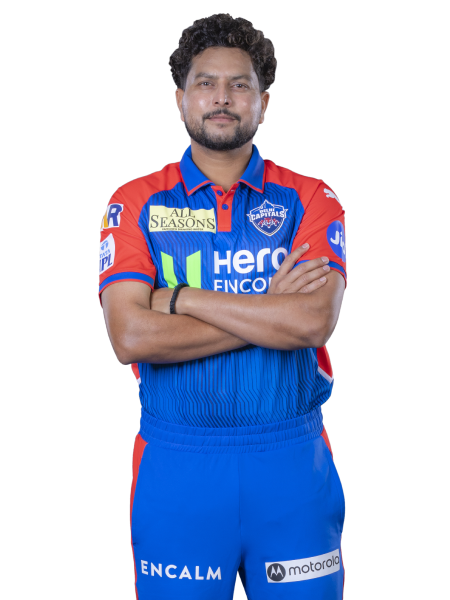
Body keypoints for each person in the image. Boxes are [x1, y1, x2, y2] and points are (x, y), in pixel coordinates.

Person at [99, 12, 347, 600]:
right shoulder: (135, 202)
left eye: (240, 84)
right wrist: (270, 312)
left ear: (264, 102)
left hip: (292, 464)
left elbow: (312, 322)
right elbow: (131, 337)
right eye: (205, 83)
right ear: (180, 99)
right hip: (177, 466)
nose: (222, 97)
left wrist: (180, 299)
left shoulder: (312, 198)